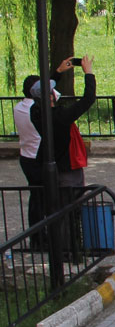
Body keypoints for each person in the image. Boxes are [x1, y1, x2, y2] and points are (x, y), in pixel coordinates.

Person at [30, 56, 96, 188]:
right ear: (50, 97)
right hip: (67, 169)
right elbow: (88, 99)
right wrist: (89, 73)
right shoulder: (61, 117)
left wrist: (59, 71)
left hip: (52, 166)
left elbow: (43, 92)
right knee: (71, 203)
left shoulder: (35, 113)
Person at [14, 75, 42, 241]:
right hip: (38, 157)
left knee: (36, 196)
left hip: (26, 156)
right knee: (43, 198)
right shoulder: (36, 110)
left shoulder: (19, 107)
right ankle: (40, 236)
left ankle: (36, 234)